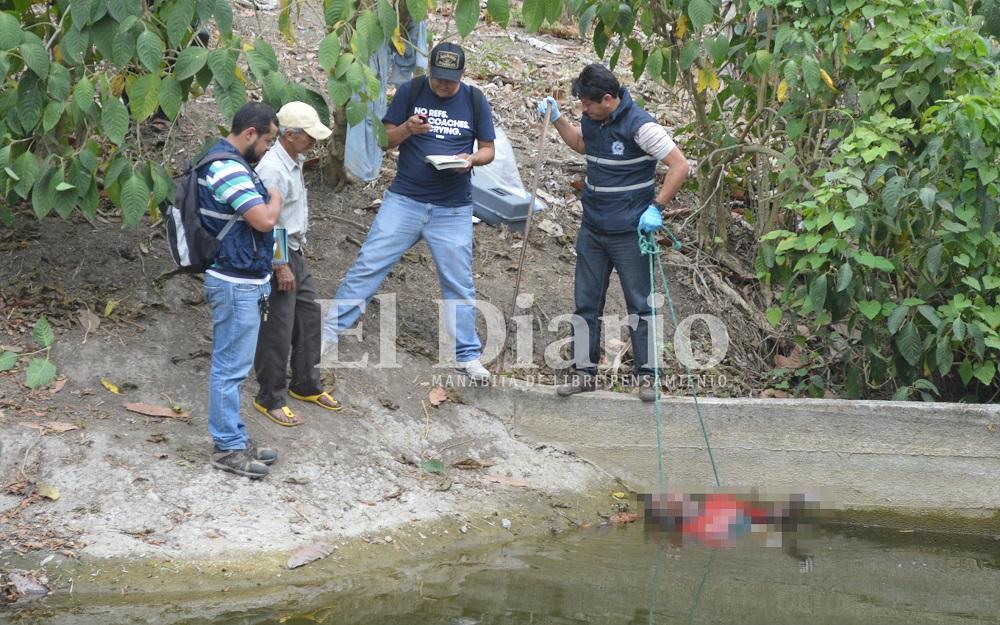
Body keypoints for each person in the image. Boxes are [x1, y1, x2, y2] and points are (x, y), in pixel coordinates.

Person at [321, 42, 496, 382]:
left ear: (462, 74)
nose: (444, 86)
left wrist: (471, 160)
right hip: (406, 200)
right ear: (429, 71)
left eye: (451, 80)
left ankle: (467, 355)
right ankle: (329, 331)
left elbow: (489, 149)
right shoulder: (410, 91)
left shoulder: (475, 100)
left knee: (459, 283)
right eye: (439, 78)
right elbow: (386, 140)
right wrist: (407, 130)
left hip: (453, 207)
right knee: (369, 265)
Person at [538, 63, 690, 402]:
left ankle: (647, 376)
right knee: (586, 303)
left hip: (630, 233)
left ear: (608, 99)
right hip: (593, 229)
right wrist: (558, 118)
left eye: (587, 104)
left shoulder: (641, 126)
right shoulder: (594, 119)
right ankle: (583, 372)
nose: (584, 110)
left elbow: (681, 166)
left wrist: (658, 207)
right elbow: (581, 144)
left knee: (640, 304)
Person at [200, 102, 282, 478]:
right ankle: (226, 449)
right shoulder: (227, 167)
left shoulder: (234, 164)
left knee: (234, 367)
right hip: (233, 283)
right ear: (250, 133)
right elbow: (264, 221)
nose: (268, 149)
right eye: (267, 141)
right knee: (229, 368)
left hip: (243, 279)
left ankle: (234, 436)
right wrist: (276, 198)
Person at [253, 102, 341, 427]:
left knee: (307, 317)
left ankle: (305, 382)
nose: (314, 143)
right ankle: (270, 397)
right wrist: (280, 264)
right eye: (308, 136)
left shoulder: (294, 159)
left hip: (295, 251)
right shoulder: (272, 169)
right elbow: (268, 219)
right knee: (278, 326)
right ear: (289, 135)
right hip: (280, 253)